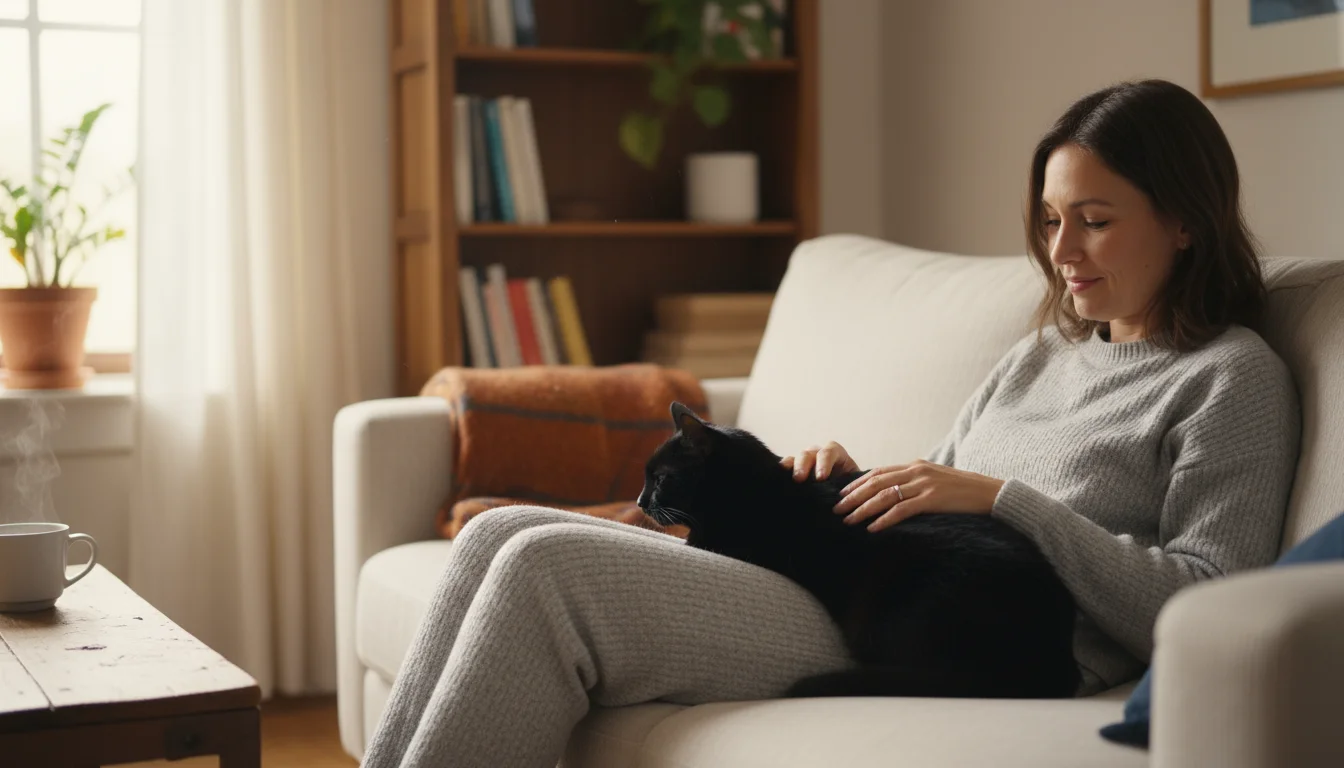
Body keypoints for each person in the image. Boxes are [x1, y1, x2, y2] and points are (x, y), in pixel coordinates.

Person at [359, 79, 1300, 768]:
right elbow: (946, 492)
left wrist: (1013, 503)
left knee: (543, 568)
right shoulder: (1043, 354)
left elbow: (1208, 606)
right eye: (1051, 221)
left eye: (1092, 221)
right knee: (497, 530)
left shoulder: (1232, 379)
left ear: (1184, 220)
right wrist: (861, 477)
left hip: (982, 638)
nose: (1060, 254)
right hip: (884, 577)